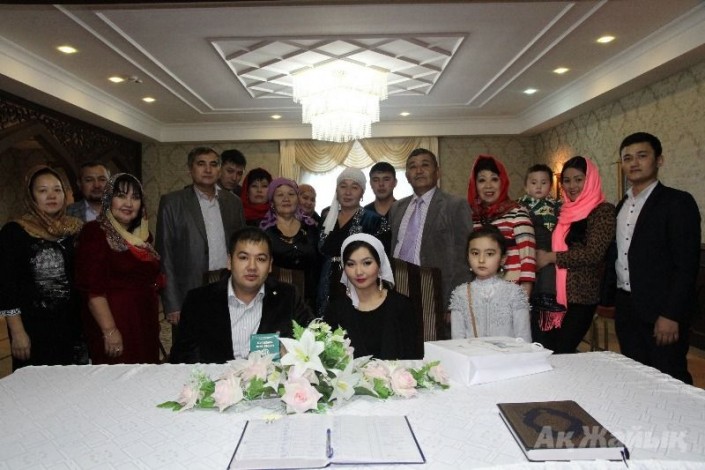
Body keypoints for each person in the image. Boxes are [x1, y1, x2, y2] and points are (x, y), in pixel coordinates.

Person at [610, 132, 700, 383]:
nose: (634, 163)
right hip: (627, 307)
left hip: (662, 310)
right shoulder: (621, 206)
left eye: (642, 156)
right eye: (627, 158)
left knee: (670, 377)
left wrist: (671, 315)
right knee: (636, 376)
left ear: (659, 160)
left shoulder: (677, 202)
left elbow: (687, 265)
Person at [170, 227, 313, 364]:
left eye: (261, 259)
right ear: (229, 261)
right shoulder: (198, 300)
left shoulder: (288, 296)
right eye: (243, 257)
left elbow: (314, 338)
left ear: (270, 265)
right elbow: (182, 357)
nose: (252, 267)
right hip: (215, 379)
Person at [75, 174, 164, 364]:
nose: (128, 203)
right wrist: (110, 331)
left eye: (135, 197)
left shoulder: (143, 235)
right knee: (119, 375)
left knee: (146, 373)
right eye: (121, 196)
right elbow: (93, 292)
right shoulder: (95, 233)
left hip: (144, 321)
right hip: (117, 322)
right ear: (109, 199)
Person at [0, 165, 83, 370]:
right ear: (31, 196)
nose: (51, 196)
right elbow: (7, 285)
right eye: (43, 190)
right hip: (32, 328)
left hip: (72, 325)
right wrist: (17, 332)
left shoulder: (75, 229)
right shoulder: (15, 232)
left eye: (57, 190)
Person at [156, 147, 245, 330]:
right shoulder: (173, 202)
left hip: (227, 287)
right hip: (189, 290)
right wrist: (172, 303)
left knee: (226, 341)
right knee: (190, 344)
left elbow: (241, 248)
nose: (208, 169)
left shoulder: (233, 203)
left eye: (213, 164)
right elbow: (165, 255)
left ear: (219, 170)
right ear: (190, 169)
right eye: (201, 164)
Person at [535, 156, 615, 353]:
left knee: (563, 350)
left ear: (590, 180)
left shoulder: (603, 211)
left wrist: (552, 257)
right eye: (567, 181)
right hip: (554, 293)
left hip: (581, 297)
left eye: (578, 179)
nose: (572, 186)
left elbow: (593, 253)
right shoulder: (563, 211)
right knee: (547, 350)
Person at [390, 148, 473, 308]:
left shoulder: (455, 205)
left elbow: (463, 258)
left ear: (437, 172)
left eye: (425, 165)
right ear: (407, 176)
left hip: (437, 291)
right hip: (399, 288)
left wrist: (455, 301)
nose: (419, 171)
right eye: (413, 166)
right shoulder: (397, 208)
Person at [324, 233, 419, 359]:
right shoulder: (335, 310)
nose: (359, 272)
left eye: (367, 263)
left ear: (380, 265)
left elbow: (414, 356)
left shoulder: (402, 306)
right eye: (351, 264)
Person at [318, 168, 389, 314]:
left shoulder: (375, 221)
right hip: (326, 287)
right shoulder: (326, 219)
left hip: (359, 285)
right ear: (336, 190)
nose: (348, 192)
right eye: (343, 186)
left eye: (354, 187)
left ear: (362, 193)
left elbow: (381, 262)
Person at [468, 154, 535, 297]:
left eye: (494, 179)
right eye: (481, 180)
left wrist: (523, 302)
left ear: (502, 182)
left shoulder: (517, 213)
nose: (488, 186)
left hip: (511, 294)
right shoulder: (473, 218)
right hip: (481, 293)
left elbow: (528, 260)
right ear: (475, 185)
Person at [450, 225, 530, 342]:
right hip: (473, 354)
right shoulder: (460, 295)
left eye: (489, 254)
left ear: (502, 259)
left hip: (508, 353)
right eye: (475, 253)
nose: (481, 260)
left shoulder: (515, 293)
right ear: (468, 257)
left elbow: (524, 339)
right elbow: (457, 342)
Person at [260, 178, 320, 310]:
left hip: (307, 300)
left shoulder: (312, 228)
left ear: (297, 200)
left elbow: (318, 265)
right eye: (280, 195)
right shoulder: (264, 232)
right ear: (272, 202)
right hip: (273, 300)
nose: (286, 199)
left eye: (291, 194)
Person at [517, 164, 565, 317]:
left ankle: (546, 296)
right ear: (526, 187)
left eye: (543, 183)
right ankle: (537, 296)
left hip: (551, 244)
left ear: (550, 186)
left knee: (550, 268)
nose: (538, 186)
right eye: (533, 183)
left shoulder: (557, 205)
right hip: (531, 243)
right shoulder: (520, 205)